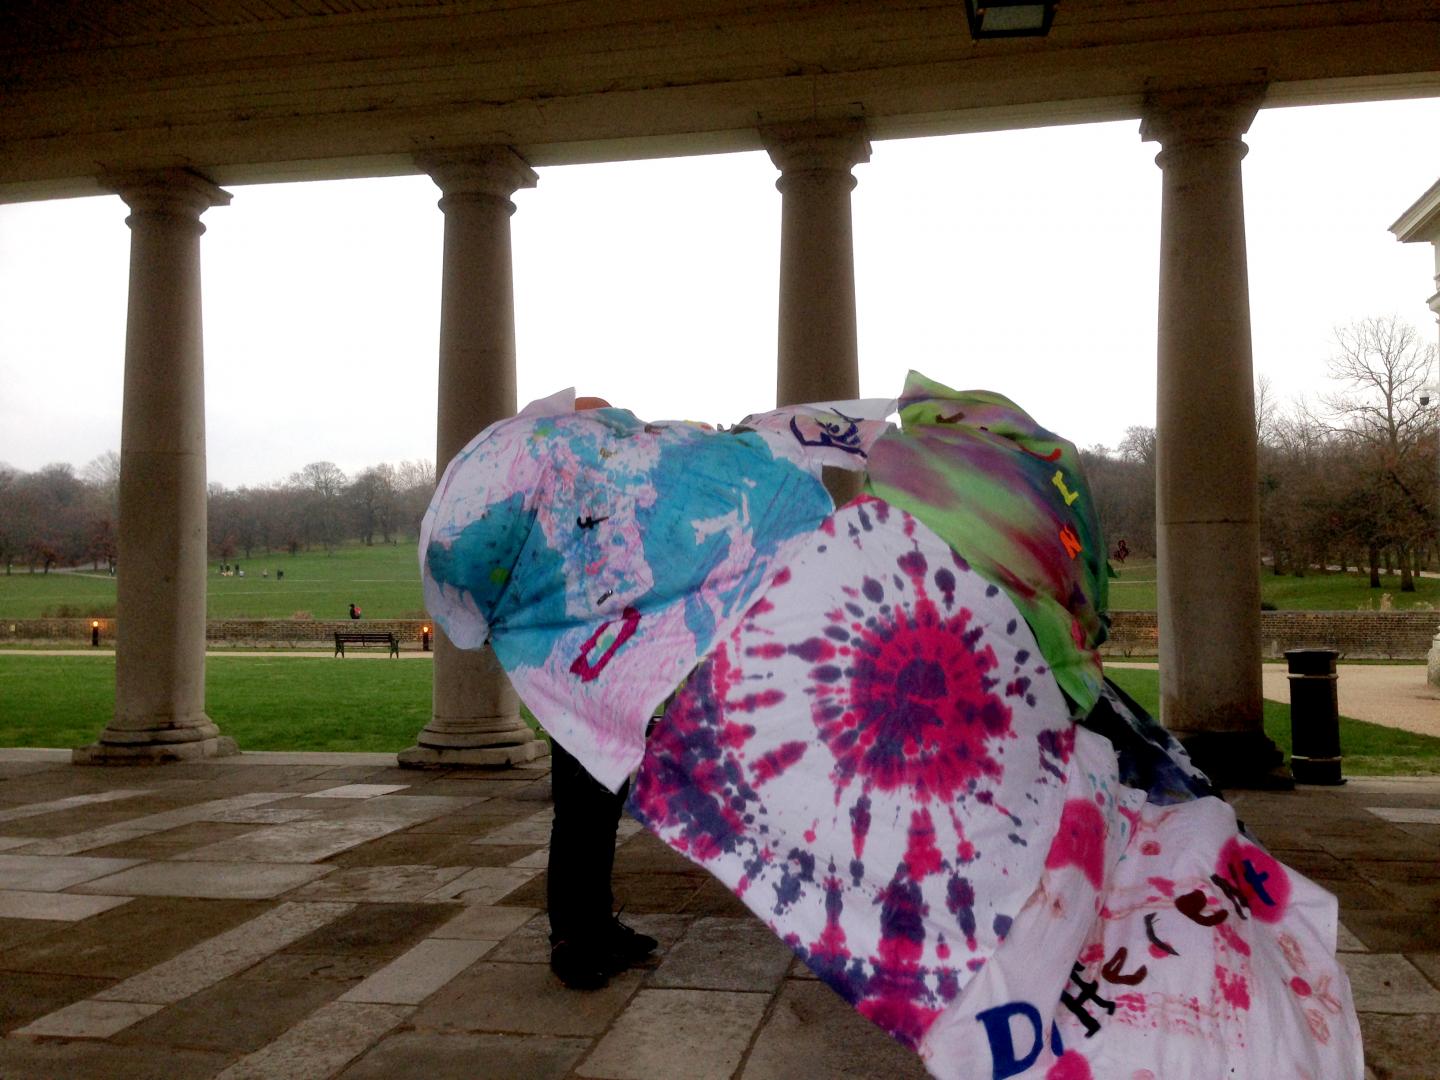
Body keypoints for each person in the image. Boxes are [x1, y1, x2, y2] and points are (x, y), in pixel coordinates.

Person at [547, 393, 657, 990]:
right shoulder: (553, 507)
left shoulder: (611, 504)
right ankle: (570, 937)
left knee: (606, 802)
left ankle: (596, 920)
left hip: (618, 672)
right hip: (572, 679)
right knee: (578, 809)